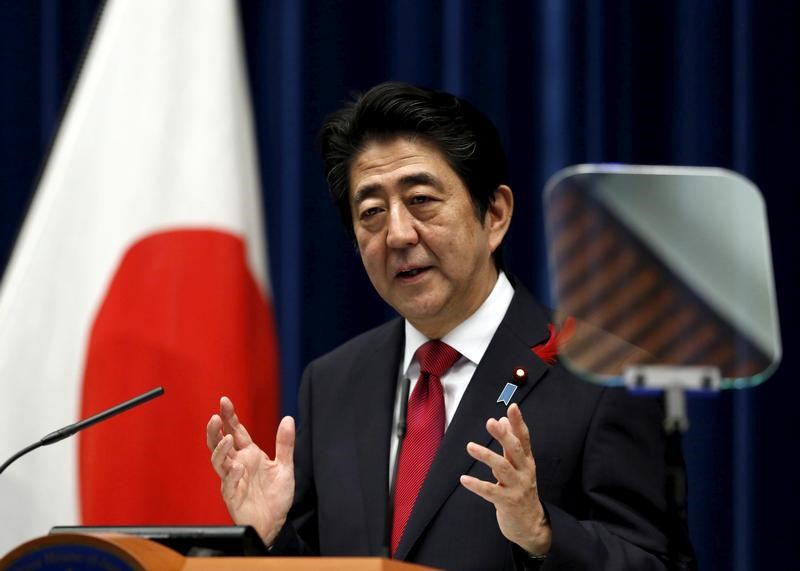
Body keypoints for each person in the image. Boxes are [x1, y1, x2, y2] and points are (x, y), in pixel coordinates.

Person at [206, 82, 694, 570]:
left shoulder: (602, 374)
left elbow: (660, 563)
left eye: (420, 200)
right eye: (372, 212)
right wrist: (270, 540)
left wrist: (542, 534)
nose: (397, 234)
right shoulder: (332, 382)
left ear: (495, 214)